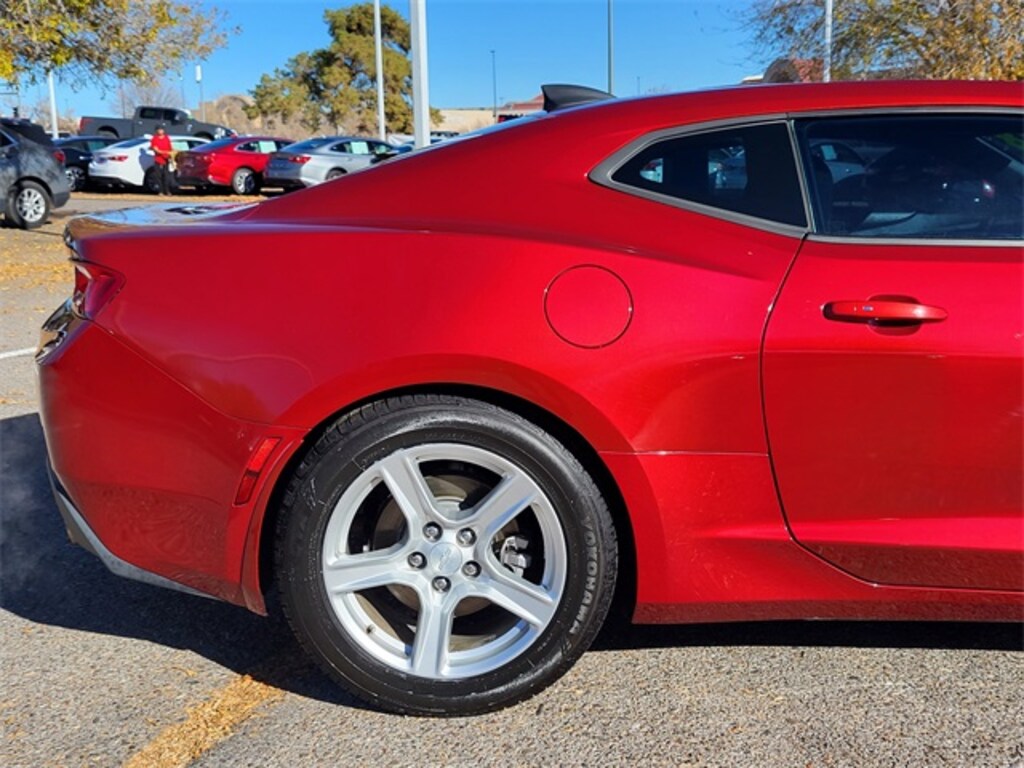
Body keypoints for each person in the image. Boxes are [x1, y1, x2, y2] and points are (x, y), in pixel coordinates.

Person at [150, 127, 174, 196]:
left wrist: (170, 155)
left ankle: (167, 191)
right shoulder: (154, 139)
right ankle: (160, 191)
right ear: (156, 131)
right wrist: (165, 152)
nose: (160, 131)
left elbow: (170, 148)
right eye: (159, 130)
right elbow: (156, 150)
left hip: (166, 160)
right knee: (158, 176)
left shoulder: (167, 138)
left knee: (166, 176)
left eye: (161, 130)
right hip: (158, 159)